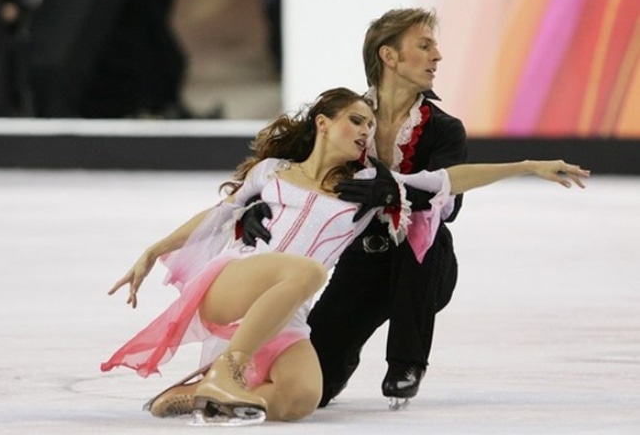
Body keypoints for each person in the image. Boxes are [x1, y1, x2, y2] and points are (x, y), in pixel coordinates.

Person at [101, 87, 588, 425]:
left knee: (302, 397)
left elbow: (445, 180)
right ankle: (228, 372)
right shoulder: (273, 171)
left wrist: (527, 165)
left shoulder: (369, 189)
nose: (365, 131)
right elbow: (215, 215)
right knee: (308, 271)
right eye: (356, 120)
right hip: (234, 286)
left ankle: (197, 395)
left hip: (288, 309)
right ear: (323, 123)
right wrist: (153, 251)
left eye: (370, 126)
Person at [240, 8, 469, 407]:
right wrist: (254, 206)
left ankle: (406, 363)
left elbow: (450, 205)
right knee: (315, 387)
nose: (437, 55)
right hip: (362, 262)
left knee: (423, 232)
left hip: (424, 267)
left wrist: (393, 193)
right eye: (424, 45)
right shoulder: (348, 117)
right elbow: (299, 168)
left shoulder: (444, 129)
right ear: (389, 56)